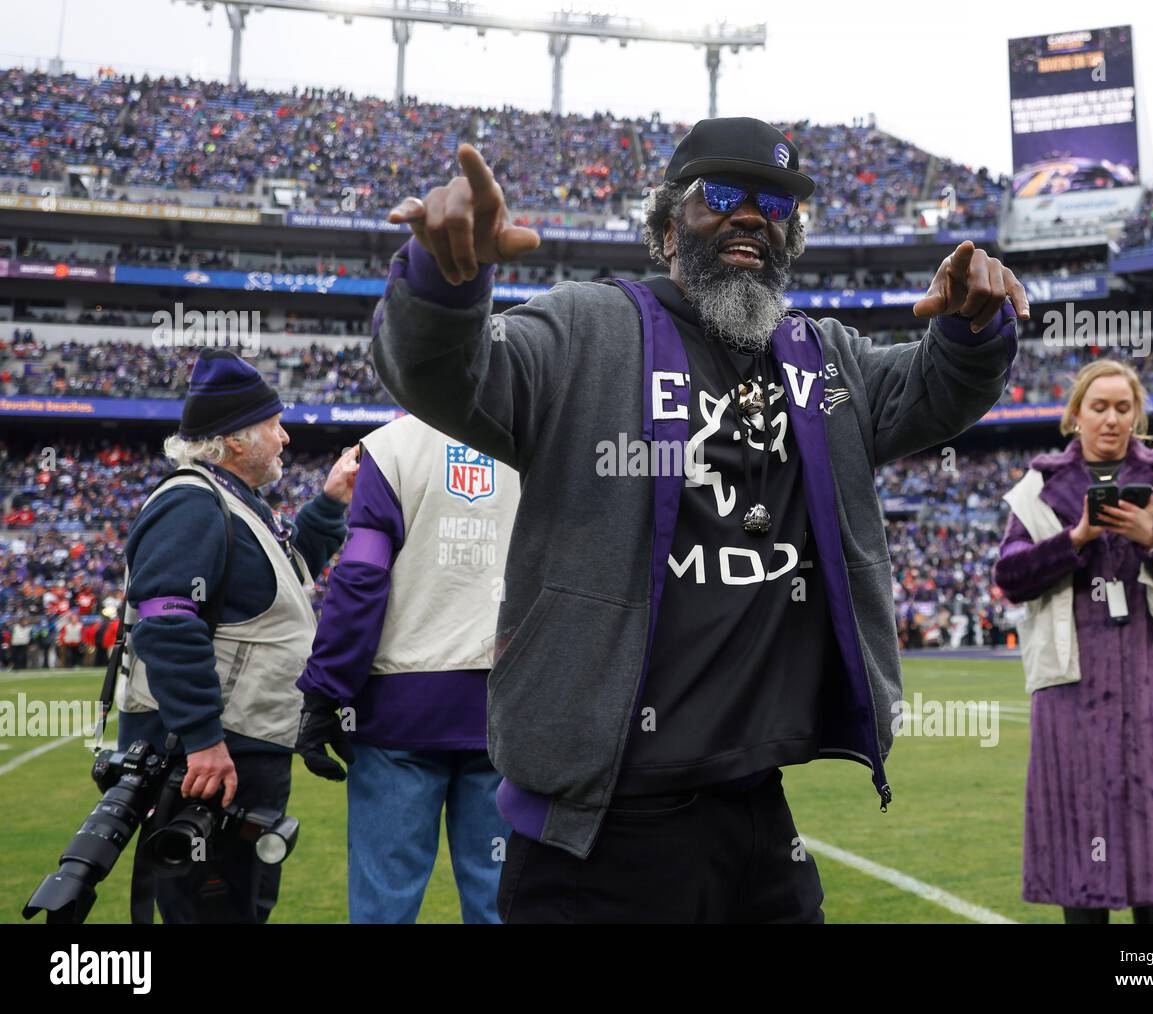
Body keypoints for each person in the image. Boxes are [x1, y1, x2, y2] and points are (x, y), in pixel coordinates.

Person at [375, 117, 1026, 924]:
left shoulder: (823, 361)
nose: (752, 215)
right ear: (665, 223)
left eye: (776, 204)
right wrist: (442, 288)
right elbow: (446, 378)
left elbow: (934, 389)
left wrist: (972, 329)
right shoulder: (586, 331)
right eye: (722, 194)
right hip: (601, 827)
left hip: (756, 806)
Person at [118, 349, 357, 923]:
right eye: (275, 426)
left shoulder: (229, 502)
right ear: (235, 440)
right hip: (209, 757)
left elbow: (282, 579)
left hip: (236, 749)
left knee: (237, 904)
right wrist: (202, 738)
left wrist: (329, 503)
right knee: (212, 908)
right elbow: (169, 623)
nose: (285, 440)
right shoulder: (192, 504)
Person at [993, 359, 1153, 924]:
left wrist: (1152, 538)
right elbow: (1011, 578)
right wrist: (1077, 538)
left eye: (1123, 407)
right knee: (1079, 839)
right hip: (1072, 682)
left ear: (1136, 414)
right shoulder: (1040, 488)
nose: (1111, 419)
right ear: (1076, 416)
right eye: (1099, 407)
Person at [295, 415, 518, 924]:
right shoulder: (526, 440)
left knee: (384, 904)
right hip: (503, 703)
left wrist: (324, 691)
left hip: (400, 711)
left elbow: (361, 576)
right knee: (498, 902)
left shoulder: (391, 447)